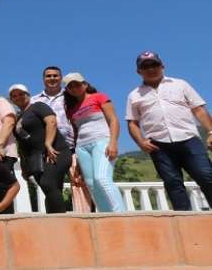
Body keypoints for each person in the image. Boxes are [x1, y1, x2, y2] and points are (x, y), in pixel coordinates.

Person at [126, 51, 212, 210]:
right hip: (158, 145)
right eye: (145, 66)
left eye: (154, 64)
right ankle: (184, 223)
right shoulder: (134, 95)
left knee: (207, 176)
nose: (151, 69)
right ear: (139, 71)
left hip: (189, 140)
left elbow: (199, 110)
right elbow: (132, 122)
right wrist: (140, 141)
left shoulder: (180, 84)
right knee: (173, 184)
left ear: (162, 66)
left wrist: (211, 132)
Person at [31, 66, 93, 212]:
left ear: (60, 78)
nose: (52, 78)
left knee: (81, 185)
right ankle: (56, 222)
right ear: (43, 79)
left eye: (55, 76)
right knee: (51, 187)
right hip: (48, 150)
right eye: (48, 76)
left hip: (73, 147)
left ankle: (86, 221)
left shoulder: (71, 96)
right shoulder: (34, 100)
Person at [64, 73, 125, 212]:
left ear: (85, 84)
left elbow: (113, 120)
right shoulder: (71, 109)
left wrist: (113, 142)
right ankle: (105, 215)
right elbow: (76, 132)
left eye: (77, 84)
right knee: (91, 184)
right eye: (70, 86)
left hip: (102, 141)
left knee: (102, 179)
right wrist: (77, 160)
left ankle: (121, 214)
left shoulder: (99, 97)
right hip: (82, 147)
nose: (74, 88)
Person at [8, 84, 71, 213]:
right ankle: (54, 223)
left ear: (28, 95)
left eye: (21, 94)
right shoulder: (18, 117)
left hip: (54, 152)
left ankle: (63, 220)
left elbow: (51, 121)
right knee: (50, 190)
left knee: (47, 183)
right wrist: (25, 167)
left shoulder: (38, 106)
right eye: (14, 96)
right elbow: (23, 145)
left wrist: (48, 143)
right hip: (36, 160)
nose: (18, 97)